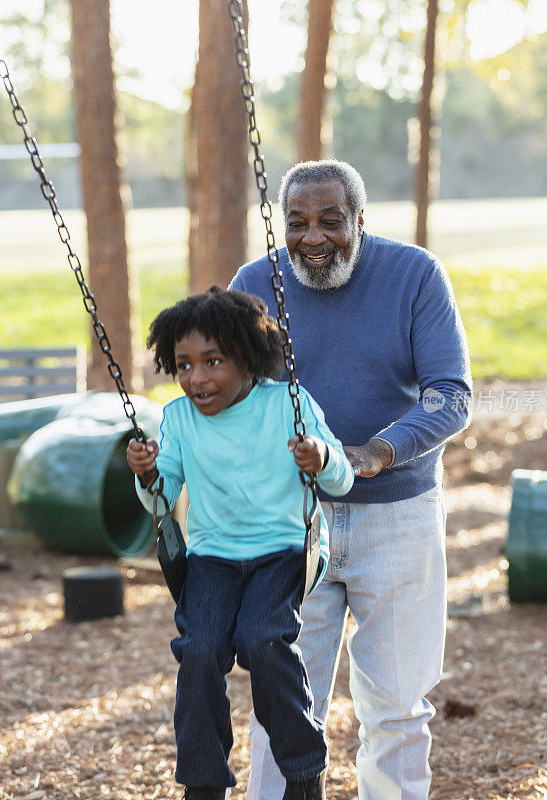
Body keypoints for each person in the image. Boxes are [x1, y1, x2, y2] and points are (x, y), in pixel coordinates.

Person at [229, 160, 473, 800]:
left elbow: (451, 395)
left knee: (395, 706)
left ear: (360, 221)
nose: (314, 238)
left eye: (331, 221)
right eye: (298, 223)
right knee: (278, 705)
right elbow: (224, 392)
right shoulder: (257, 284)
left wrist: (379, 452)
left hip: (397, 515)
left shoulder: (414, 276)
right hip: (288, 519)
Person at [126, 286, 354, 800]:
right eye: (183, 364)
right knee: (201, 650)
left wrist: (320, 456)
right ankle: (204, 784)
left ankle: (302, 770)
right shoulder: (179, 419)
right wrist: (145, 474)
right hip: (212, 557)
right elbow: (159, 499)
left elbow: (340, 481)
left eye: (213, 361)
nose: (196, 378)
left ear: (247, 359)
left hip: (283, 552)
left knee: (262, 638)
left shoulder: (287, 404)